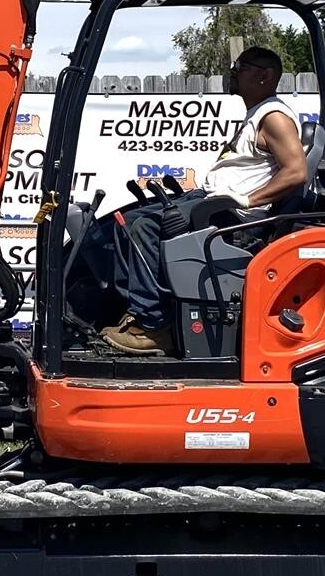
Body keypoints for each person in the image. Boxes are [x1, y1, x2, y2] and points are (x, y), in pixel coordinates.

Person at [94, 46, 309, 356]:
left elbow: (296, 172)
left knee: (145, 228)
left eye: (242, 66)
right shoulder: (257, 114)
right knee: (125, 222)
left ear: (265, 75)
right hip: (212, 202)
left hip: (233, 216)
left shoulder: (274, 117)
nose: (233, 71)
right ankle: (139, 312)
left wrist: (246, 200)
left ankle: (153, 327)